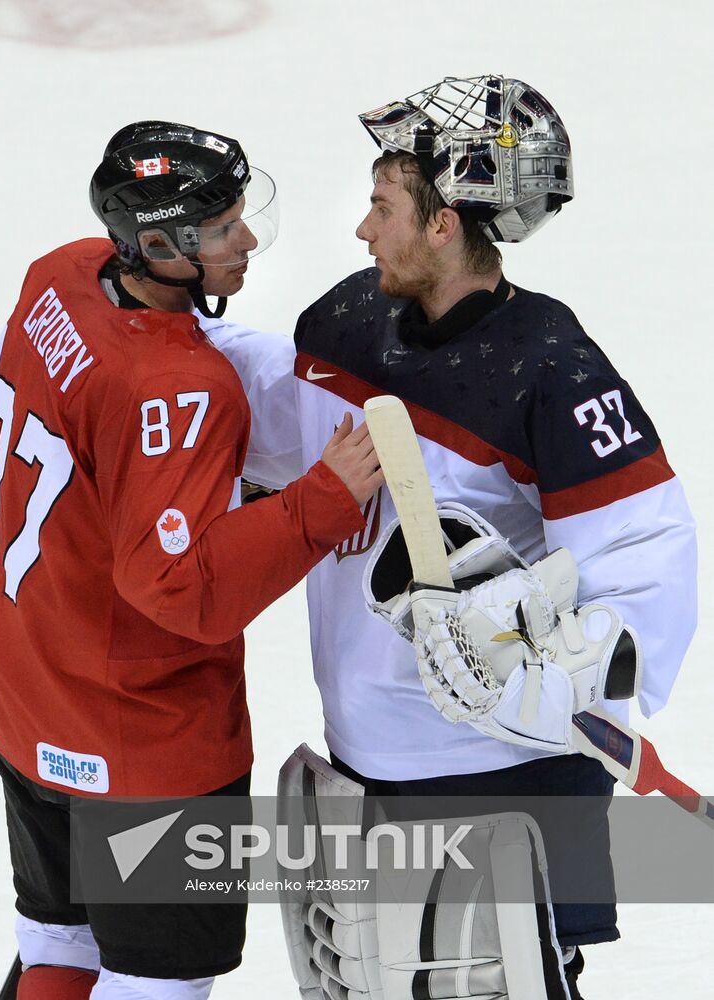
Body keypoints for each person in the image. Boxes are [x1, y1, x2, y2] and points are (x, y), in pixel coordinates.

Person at [209, 76, 697, 998]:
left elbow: (644, 560)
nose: (363, 229)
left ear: (441, 225)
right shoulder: (347, 320)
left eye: (382, 206)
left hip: (501, 773)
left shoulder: (551, 368)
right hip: (365, 751)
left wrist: (550, 678)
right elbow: (278, 424)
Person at [0, 120, 383, 1000]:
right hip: (141, 745)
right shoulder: (180, 389)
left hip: (24, 692)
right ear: (157, 246)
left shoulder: (59, 274)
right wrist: (320, 500)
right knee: (158, 984)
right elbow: (178, 587)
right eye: (222, 229)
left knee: (60, 944)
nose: (247, 241)